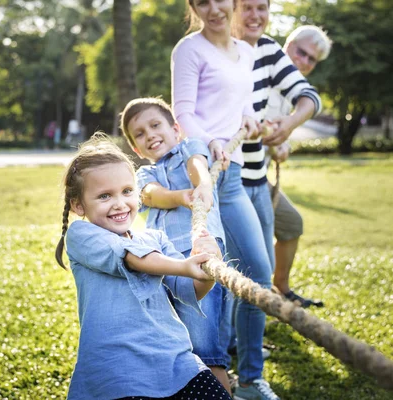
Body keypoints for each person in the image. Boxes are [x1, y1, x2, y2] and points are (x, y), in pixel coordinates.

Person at [55, 133, 233, 400]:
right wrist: (185, 265)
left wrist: (207, 268)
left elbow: (189, 289)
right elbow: (132, 258)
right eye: (104, 196)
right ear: (78, 205)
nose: (119, 203)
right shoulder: (81, 236)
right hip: (118, 370)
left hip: (175, 360)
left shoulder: (155, 238)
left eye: (127, 191)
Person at [171, 1, 279, 399]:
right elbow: (182, 113)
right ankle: (208, 375)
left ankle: (250, 380)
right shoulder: (189, 50)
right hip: (201, 173)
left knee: (256, 275)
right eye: (202, 1)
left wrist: (248, 117)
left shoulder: (245, 51)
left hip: (229, 177)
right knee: (210, 281)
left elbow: (241, 100)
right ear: (194, 6)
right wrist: (212, 139)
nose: (213, 8)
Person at [120, 97, 234, 394]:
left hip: (200, 256)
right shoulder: (145, 174)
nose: (150, 135)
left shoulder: (190, 148)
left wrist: (202, 187)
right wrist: (180, 196)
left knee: (205, 351)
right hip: (165, 266)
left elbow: (197, 164)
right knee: (178, 347)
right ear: (135, 148)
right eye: (140, 134)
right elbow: (150, 194)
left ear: (175, 128)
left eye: (155, 125)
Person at [264, 25, 332, 307]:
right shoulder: (261, 73)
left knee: (291, 223)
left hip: (257, 179)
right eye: (299, 52)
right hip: (234, 177)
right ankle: (234, 329)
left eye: (310, 59)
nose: (302, 61)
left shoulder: (292, 92)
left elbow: (279, 133)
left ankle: (281, 289)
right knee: (251, 250)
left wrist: (281, 145)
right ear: (287, 44)